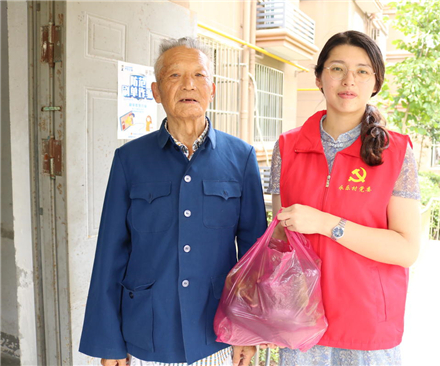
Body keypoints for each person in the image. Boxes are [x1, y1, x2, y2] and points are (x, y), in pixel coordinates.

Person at [79, 37, 267, 366]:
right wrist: (109, 344)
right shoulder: (129, 160)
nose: (188, 85)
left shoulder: (241, 157)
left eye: (198, 75)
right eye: (174, 76)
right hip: (148, 334)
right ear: (156, 91)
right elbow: (110, 253)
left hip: (217, 334)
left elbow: (254, 256)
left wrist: (248, 332)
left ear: (212, 89)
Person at [267, 31, 421, 365]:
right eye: (337, 69)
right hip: (301, 326)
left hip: (367, 329)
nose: (349, 80)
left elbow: (407, 249)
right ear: (319, 77)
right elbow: (280, 239)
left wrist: (327, 224)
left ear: (375, 82)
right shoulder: (287, 147)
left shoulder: (396, 152)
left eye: (362, 71)